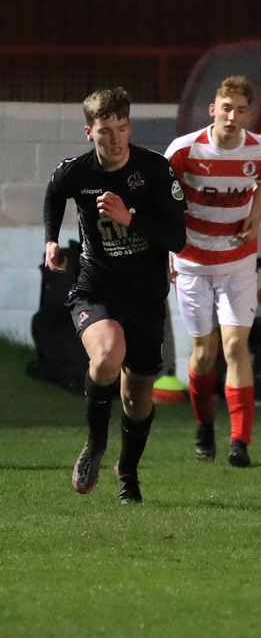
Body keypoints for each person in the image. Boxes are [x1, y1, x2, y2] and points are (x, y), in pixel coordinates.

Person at [43, 87, 187, 504]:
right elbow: (54, 193)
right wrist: (51, 240)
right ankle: (95, 444)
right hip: (96, 285)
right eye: (106, 131)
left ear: (129, 127)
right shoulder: (77, 172)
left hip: (145, 295)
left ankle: (128, 471)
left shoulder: (154, 170)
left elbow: (177, 239)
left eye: (122, 128)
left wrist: (130, 218)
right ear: (90, 132)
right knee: (107, 356)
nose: (115, 138)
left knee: (138, 394)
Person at [165, 76, 261, 467]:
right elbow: (162, 200)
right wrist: (166, 252)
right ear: (213, 110)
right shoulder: (184, 150)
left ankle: (239, 441)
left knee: (235, 347)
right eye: (226, 108)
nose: (231, 117)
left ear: (248, 115)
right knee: (203, 354)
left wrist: (255, 219)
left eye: (240, 110)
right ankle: (204, 425)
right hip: (192, 262)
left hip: (238, 262)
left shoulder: (259, 149)